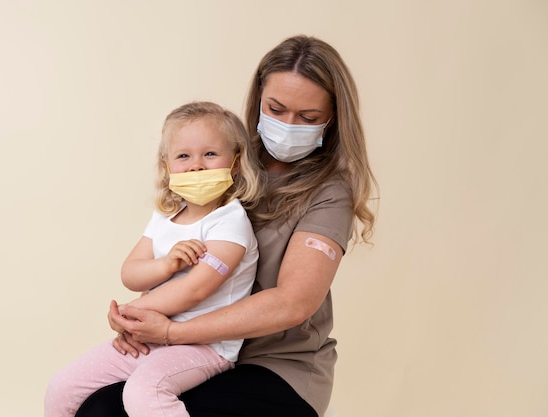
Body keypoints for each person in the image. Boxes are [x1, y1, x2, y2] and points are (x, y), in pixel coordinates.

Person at [75, 34, 378, 417]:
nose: (288, 125)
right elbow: (171, 251)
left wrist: (169, 332)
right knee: (97, 409)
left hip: (274, 366)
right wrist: (136, 317)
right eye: (277, 108)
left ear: (332, 120)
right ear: (258, 102)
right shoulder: (220, 162)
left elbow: (293, 302)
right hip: (188, 350)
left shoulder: (330, 193)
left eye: (308, 118)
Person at [44, 101, 261, 417]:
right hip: (149, 335)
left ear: (236, 162)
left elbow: (195, 290)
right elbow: (131, 274)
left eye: (210, 154)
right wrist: (167, 265)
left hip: (205, 346)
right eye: (183, 156)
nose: (196, 165)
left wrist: (128, 316)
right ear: (167, 165)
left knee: (144, 391)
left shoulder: (230, 222)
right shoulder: (165, 217)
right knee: (62, 388)